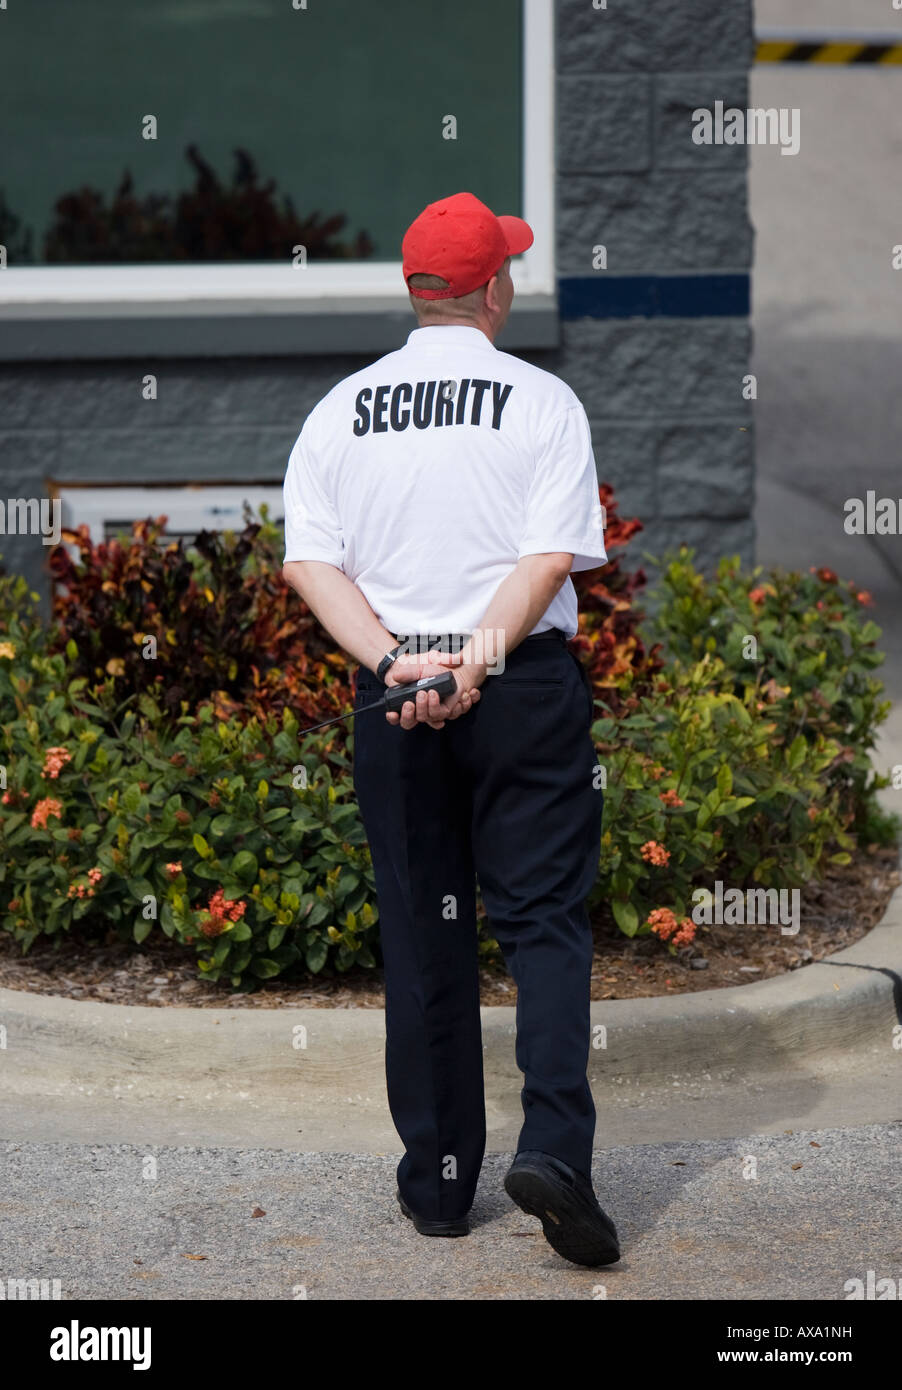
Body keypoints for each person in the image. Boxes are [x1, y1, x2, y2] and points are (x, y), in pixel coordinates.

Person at [282, 191, 620, 1267]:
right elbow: (546, 559)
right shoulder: (541, 402)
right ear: (489, 290)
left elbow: (309, 563)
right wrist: (475, 661)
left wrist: (396, 664)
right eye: (508, 269)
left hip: (394, 690)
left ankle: (436, 1186)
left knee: (423, 934)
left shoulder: (340, 409)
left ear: (414, 290)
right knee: (542, 925)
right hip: (514, 688)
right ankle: (554, 1152)